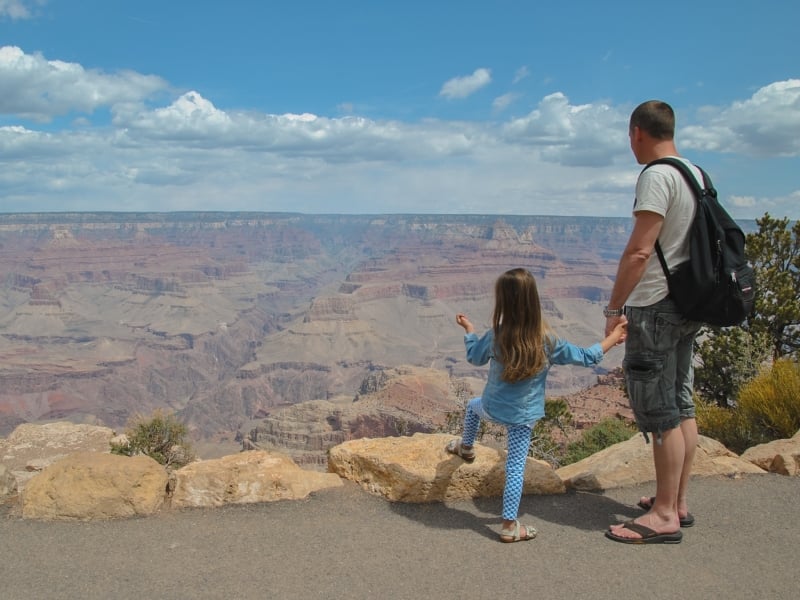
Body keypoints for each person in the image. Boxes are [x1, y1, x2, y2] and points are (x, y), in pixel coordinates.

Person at [447, 267, 627, 543]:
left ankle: (466, 447)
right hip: (523, 417)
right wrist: (614, 338)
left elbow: (474, 357)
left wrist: (470, 331)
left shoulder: (496, 334)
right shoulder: (547, 340)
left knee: (473, 406)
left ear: (502, 301)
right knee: (515, 467)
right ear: (534, 301)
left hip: (492, 408)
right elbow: (587, 357)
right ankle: (509, 525)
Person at [603, 100, 704, 545]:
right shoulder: (695, 174)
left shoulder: (657, 176)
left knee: (660, 412)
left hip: (655, 307)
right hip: (686, 304)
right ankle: (676, 501)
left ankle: (663, 516)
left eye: (629, 137)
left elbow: (640, 251)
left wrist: (613, 307)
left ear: (637, 133)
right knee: (681, 403)